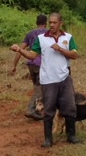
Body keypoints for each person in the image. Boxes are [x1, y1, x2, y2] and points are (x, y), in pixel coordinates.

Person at [10, 12, 80, 147]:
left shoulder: (68, 37)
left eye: (54, 22)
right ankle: (48, 139)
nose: (52, 25)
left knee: (70, 108)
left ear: (61, 23)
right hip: (48, 79)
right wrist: (20, 50)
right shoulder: (41, 39)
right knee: (49, 110)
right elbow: (32, 55)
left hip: (65, 78)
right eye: (50, 22)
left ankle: (71, 136)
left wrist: (61, 49)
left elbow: (75, 55)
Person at [11, 14, 47, 120]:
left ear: (36, 22)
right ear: (46, 23)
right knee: (40, 88)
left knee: (37, 87)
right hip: (42, 64)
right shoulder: (48, 33)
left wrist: (14, 64)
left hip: (31, 64)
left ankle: (38, 110)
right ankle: (31, 110)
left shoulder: (30, 34)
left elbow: (20, 50)